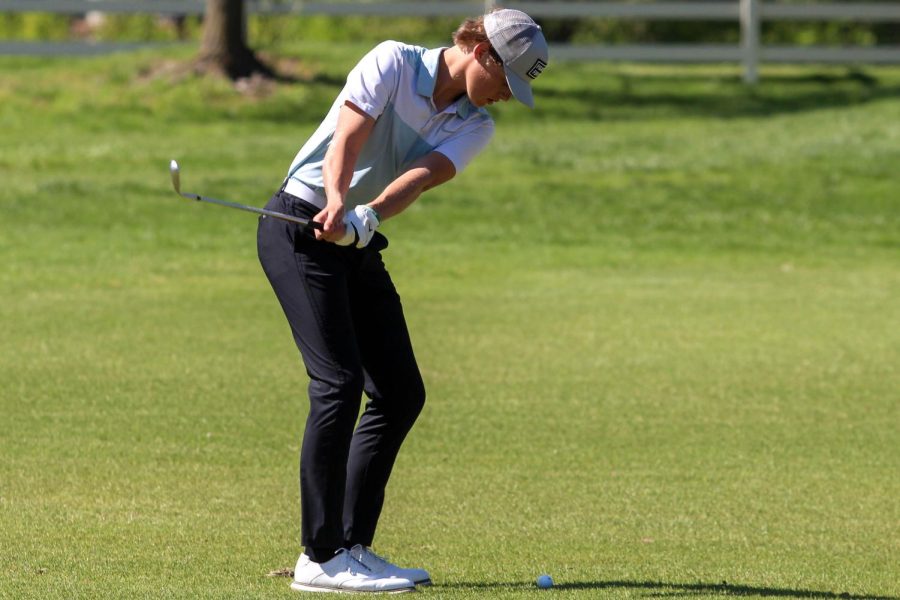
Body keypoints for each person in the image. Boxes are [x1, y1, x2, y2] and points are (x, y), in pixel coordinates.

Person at [256, 8, 548, 594]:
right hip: (297, 225)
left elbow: (420, 176)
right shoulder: (392, 61)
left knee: (399, 392)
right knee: (336, 383)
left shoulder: (475, 125)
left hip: (355, 239)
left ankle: (351, 547)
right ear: (481, 53)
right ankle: (318, 557)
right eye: (505, 82)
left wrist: (366, 217)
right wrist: (337, 203)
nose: (504, 98)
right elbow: (348, 136)